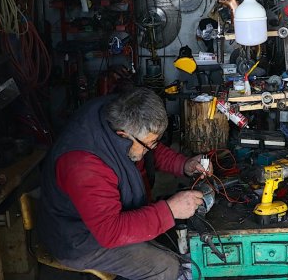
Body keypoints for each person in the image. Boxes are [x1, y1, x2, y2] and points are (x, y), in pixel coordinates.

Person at [38, 87, 212, 280]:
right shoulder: (85, 166)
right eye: (150, 144)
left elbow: (150, 148)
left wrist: (184, 164)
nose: (152, 148)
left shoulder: (119, 113)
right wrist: (170, 211)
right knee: (165, 267)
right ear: (123, 135)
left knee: (174, 243)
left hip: (101, 223)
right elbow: (110, 232)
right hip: (79, 240)